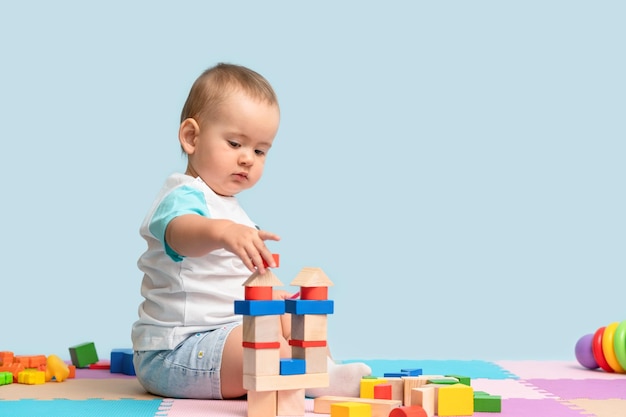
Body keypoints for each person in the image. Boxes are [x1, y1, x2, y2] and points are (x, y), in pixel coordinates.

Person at [131, 63, 371, 400]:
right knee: (263, 344)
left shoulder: (232, 210)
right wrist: (223, 232)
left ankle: (324, 367)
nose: (248, 159)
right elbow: (180, 233)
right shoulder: (182, 196)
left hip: (225, 336)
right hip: (177, 352)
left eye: (259, 151)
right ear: (191, 137)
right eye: (234, 143)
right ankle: (316, 377)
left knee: (293, 315)